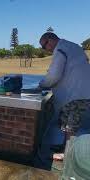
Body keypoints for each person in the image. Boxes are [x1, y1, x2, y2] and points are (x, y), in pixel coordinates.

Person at [34, 32, 90, 170]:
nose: (45, 49)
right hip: (82, 92)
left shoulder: (60, 49)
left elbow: (54, 75)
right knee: (68, 125)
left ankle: (67, 154)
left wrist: (41, 84)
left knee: (70, 126)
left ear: (51, 39)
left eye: (44, 45)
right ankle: (65, 148)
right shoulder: (73, 46)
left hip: (75, 94)